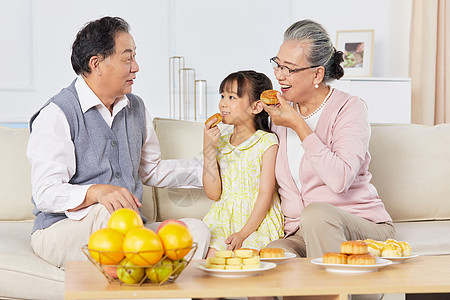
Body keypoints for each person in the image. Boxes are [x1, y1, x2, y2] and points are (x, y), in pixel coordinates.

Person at [26, 16, 210, 269]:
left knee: (195, 232)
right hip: (61, 230)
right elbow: (45, 193)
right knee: (107, 213)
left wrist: (210, 170)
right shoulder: (58, 113)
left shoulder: (135, 107)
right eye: (127, 58)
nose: (136, 67)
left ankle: (151, 285)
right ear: (96, 63)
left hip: (127, 229)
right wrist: (94, 192)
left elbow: (151, 170)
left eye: (135, 57)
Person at [262, 19, 395, 258]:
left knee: (316, 214)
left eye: (288, 68)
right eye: (277, 64)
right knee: (272, 255)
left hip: (357, 226)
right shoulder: (278, 113)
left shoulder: (349, 108)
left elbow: (339, 180)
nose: (278, 75)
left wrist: (298, 125)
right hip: (300, 232)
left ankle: (343, 292)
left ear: (318, 73)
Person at [202, 70, 284, 257]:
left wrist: (243, 234)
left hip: (256, 221)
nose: (223, 103)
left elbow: (266, 193)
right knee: (210, 257)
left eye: (232, 97)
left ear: (256, 107)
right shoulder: (221, 143)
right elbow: (213, 194)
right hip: (223, 218)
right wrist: (208, 148)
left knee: (246, 256)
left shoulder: (267, 142)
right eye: (222, 95)